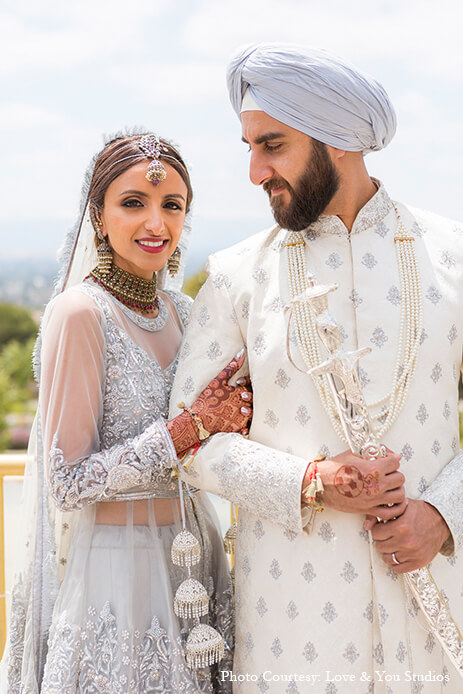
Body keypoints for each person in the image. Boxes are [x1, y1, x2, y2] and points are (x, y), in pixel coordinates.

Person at [169, 44, 463, 692]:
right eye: (249, 147)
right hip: (293, 628)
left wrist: (444, 515)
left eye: (272, 145)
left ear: (339, 140)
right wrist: (309, 483)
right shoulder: (236, 277)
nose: (255, 172)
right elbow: (188, 443)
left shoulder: (453, 257)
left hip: (436, 615)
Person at [0, 131, 253, 693]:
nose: (156, 223)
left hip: (199, 561)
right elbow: (67, 481)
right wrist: (188, 428)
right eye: (134, 203)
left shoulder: (186, 312)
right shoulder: (81, 314)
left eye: (172, 205)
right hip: (120, 578)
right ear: (98, 214)